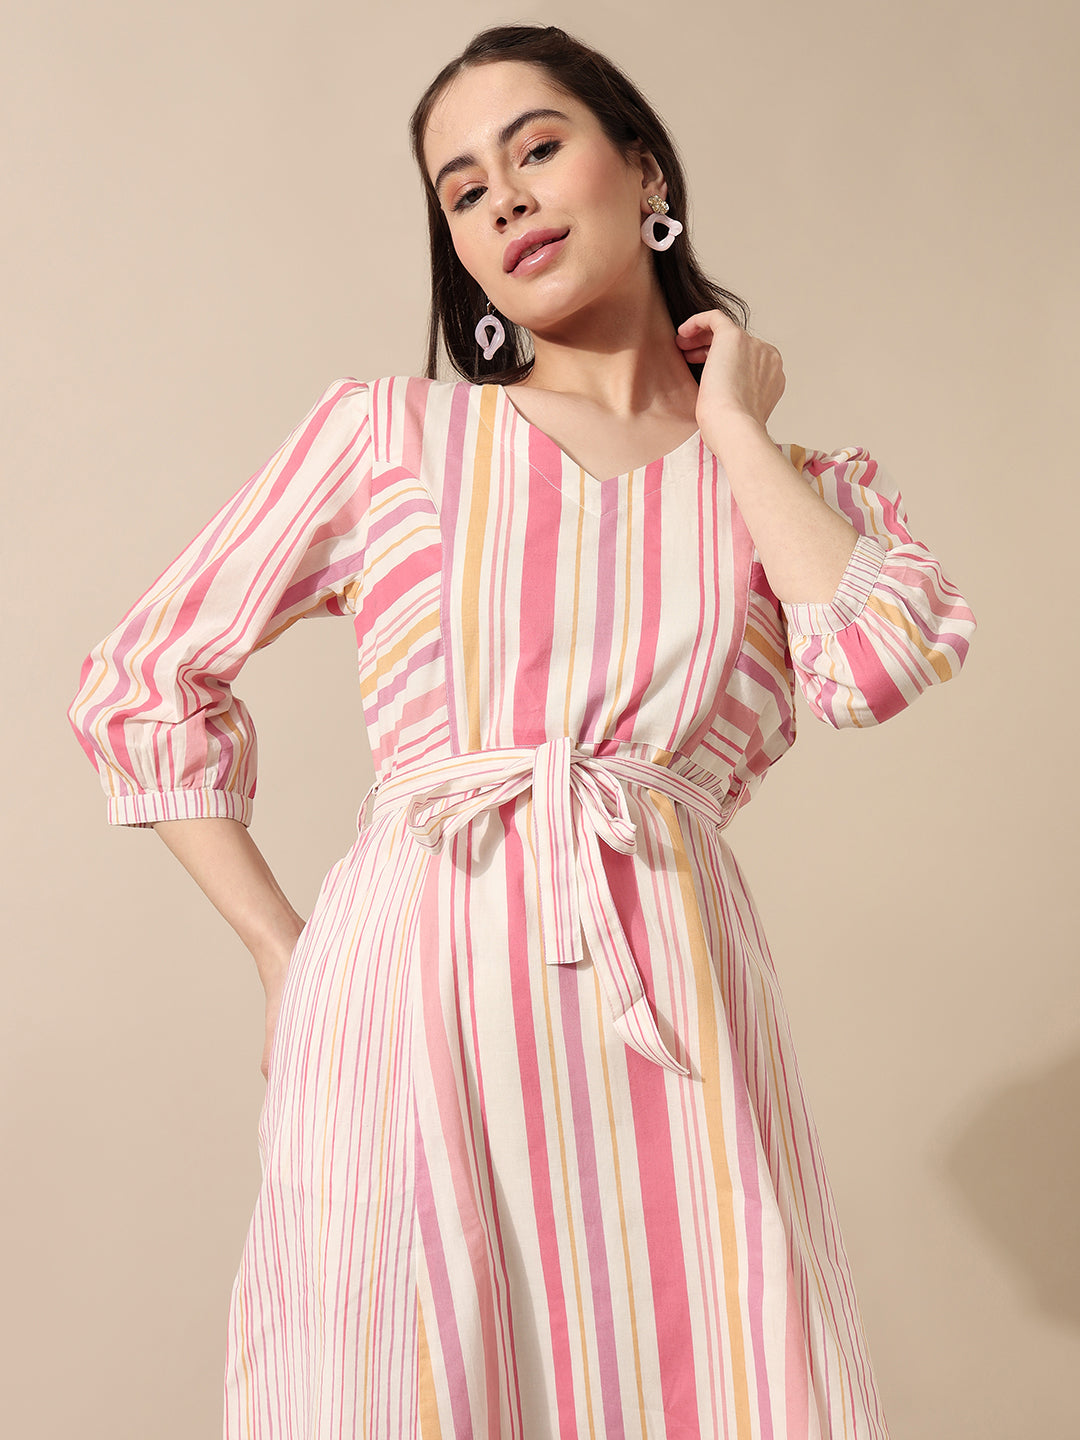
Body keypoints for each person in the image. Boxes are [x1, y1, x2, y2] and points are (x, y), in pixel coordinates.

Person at [68, 22, 976, 1440]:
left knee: (710, 1371)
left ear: (645, 170)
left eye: (537, 148)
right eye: (462, 189)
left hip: (669, 1002)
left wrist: (735, 430)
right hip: (406, 997)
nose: (504, 199)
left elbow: (878, 664)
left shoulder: (799, 485)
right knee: (405, 1380)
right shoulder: (389, 437)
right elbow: (143, 678)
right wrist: (281, 954)